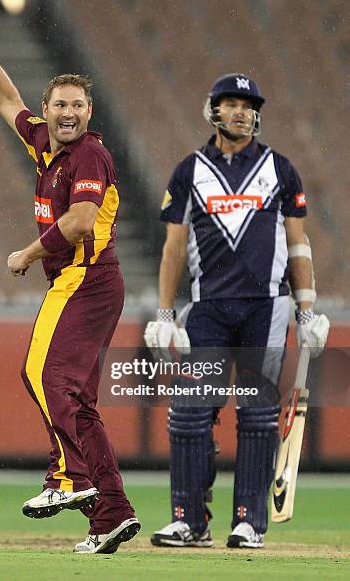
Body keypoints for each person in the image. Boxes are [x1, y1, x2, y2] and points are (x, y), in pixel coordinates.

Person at [0, 0, 140, 554]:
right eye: (59, 105)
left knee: (40, 374)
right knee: (76, 400)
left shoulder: (89, 155)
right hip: (88, 284)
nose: (67, 114)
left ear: (89, 114)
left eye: (77, 107)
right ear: (49, 109)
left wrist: (25, 254)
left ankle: (69, 479)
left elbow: (83, 220)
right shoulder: (43, 143)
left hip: (86, 279)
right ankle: (110, 515)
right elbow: (2, 96)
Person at [144, 73, 329, 548]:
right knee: (188, 413)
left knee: (258, 415)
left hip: (266, 310)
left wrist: (306, 311)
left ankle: (249, 521)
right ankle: (189, 519)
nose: (242, 112)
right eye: (232, 103)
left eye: (248, 105)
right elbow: (172, 249)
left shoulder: (280, 170)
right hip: (206, 310)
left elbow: (298, 244)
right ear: (213, 110)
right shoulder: (189, 171)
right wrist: (165, 315)